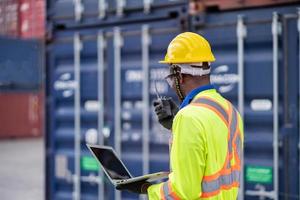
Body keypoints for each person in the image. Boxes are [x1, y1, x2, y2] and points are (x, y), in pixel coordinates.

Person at [118, 32, 244, 199]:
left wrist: (146, 189)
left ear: (180, 76)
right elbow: (211, 155)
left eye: (171, 74)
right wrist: (176, 126)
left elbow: (183, 192)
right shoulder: (229, 110)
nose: (170, 82)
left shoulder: (188, 118)